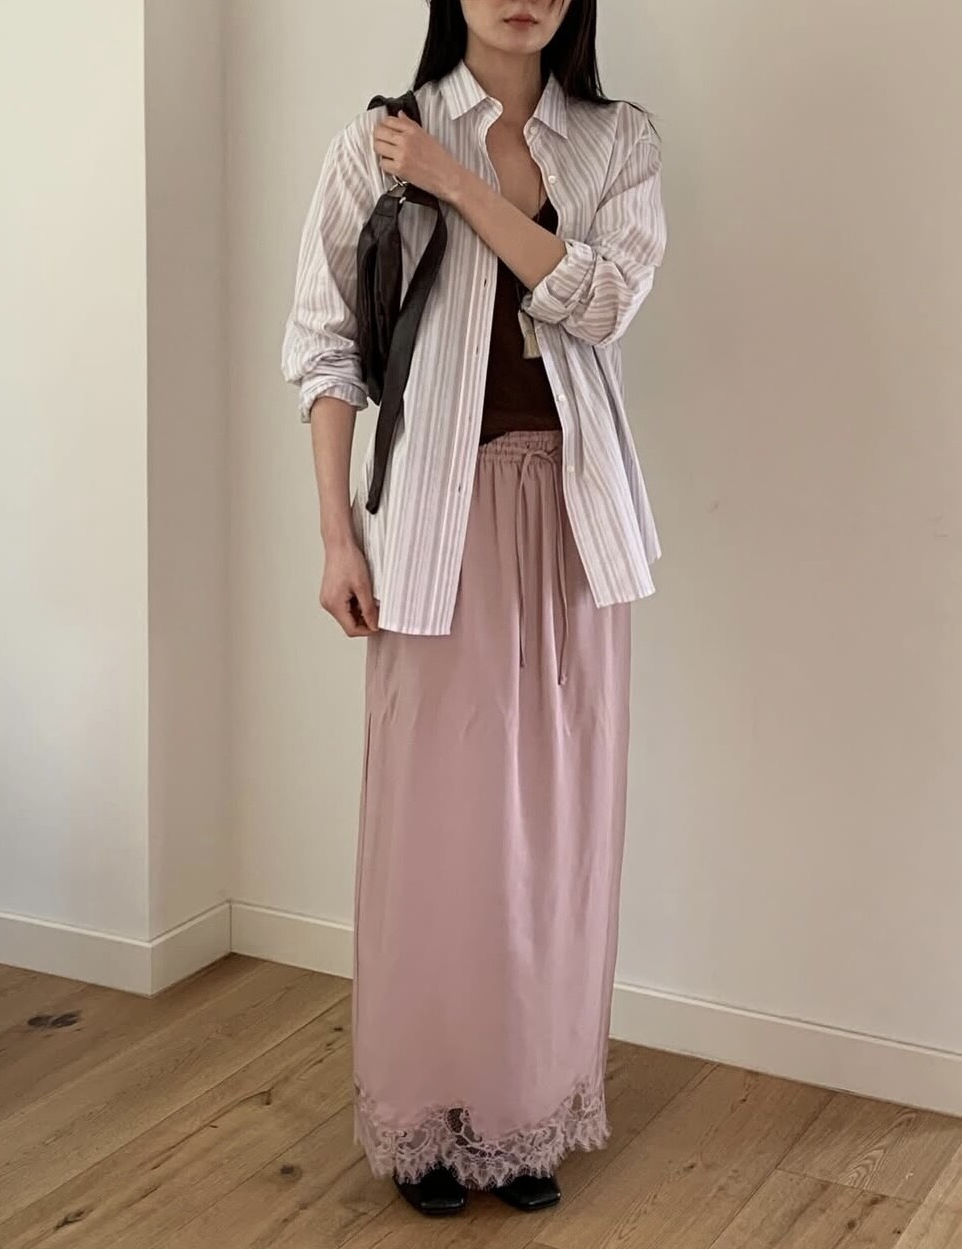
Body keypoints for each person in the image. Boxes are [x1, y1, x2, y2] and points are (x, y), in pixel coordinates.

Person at [281, 0, 666, 1219]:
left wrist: (459, 182)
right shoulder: (375, 142)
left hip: (576, 526)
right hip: (433, 529)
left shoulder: (616, 141)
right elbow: (326, 350)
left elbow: (602, 304)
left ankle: (524, 1109)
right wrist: (336, 534)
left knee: (556, 831)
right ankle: (430, 1118)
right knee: (432, 834)